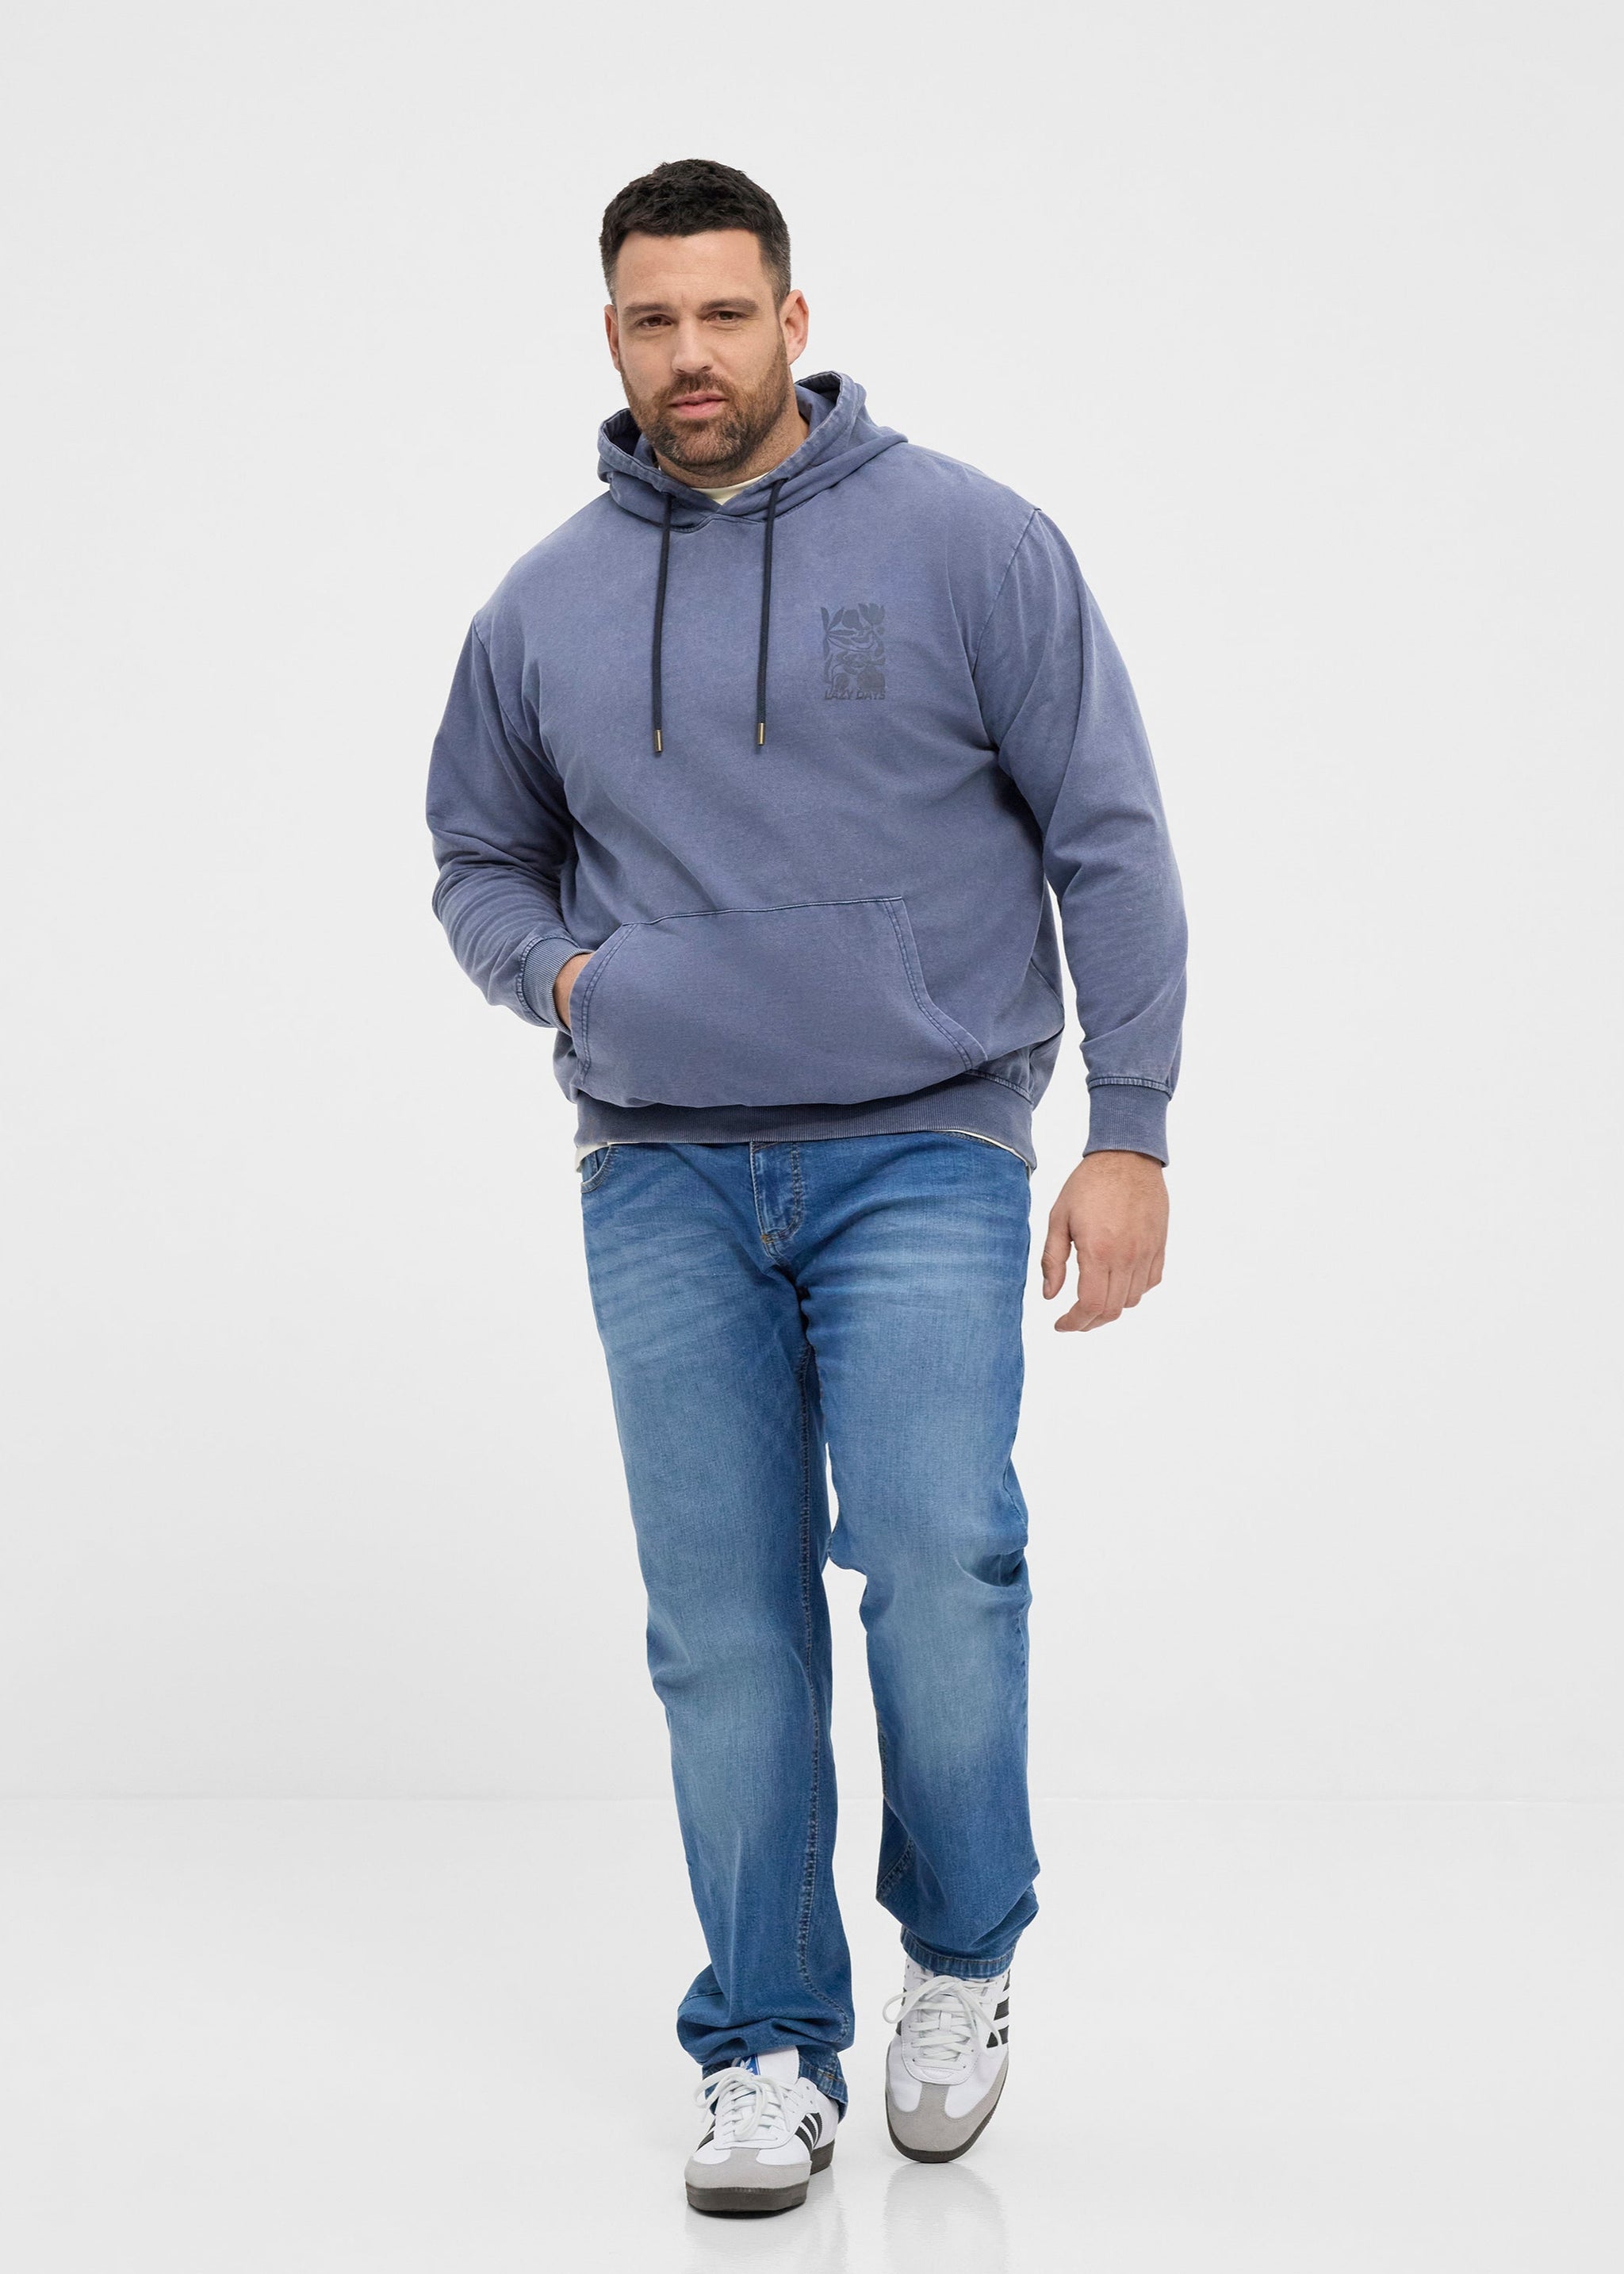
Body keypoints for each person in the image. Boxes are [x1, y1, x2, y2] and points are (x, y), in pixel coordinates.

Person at [426, 157, 1186, 2218]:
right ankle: (764, 2036)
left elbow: (1108, 832)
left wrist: (1131, 1129)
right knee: (722, 1624)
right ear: (612, 336)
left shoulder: (969, 545)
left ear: (795, 319)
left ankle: (960, 1958)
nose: (693, 355)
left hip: (927, 1137)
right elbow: (476, 853)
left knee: (941, 1551)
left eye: (726, 313)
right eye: (653, 319)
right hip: (660, 1167)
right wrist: (566, 981)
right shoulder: (543, 603)